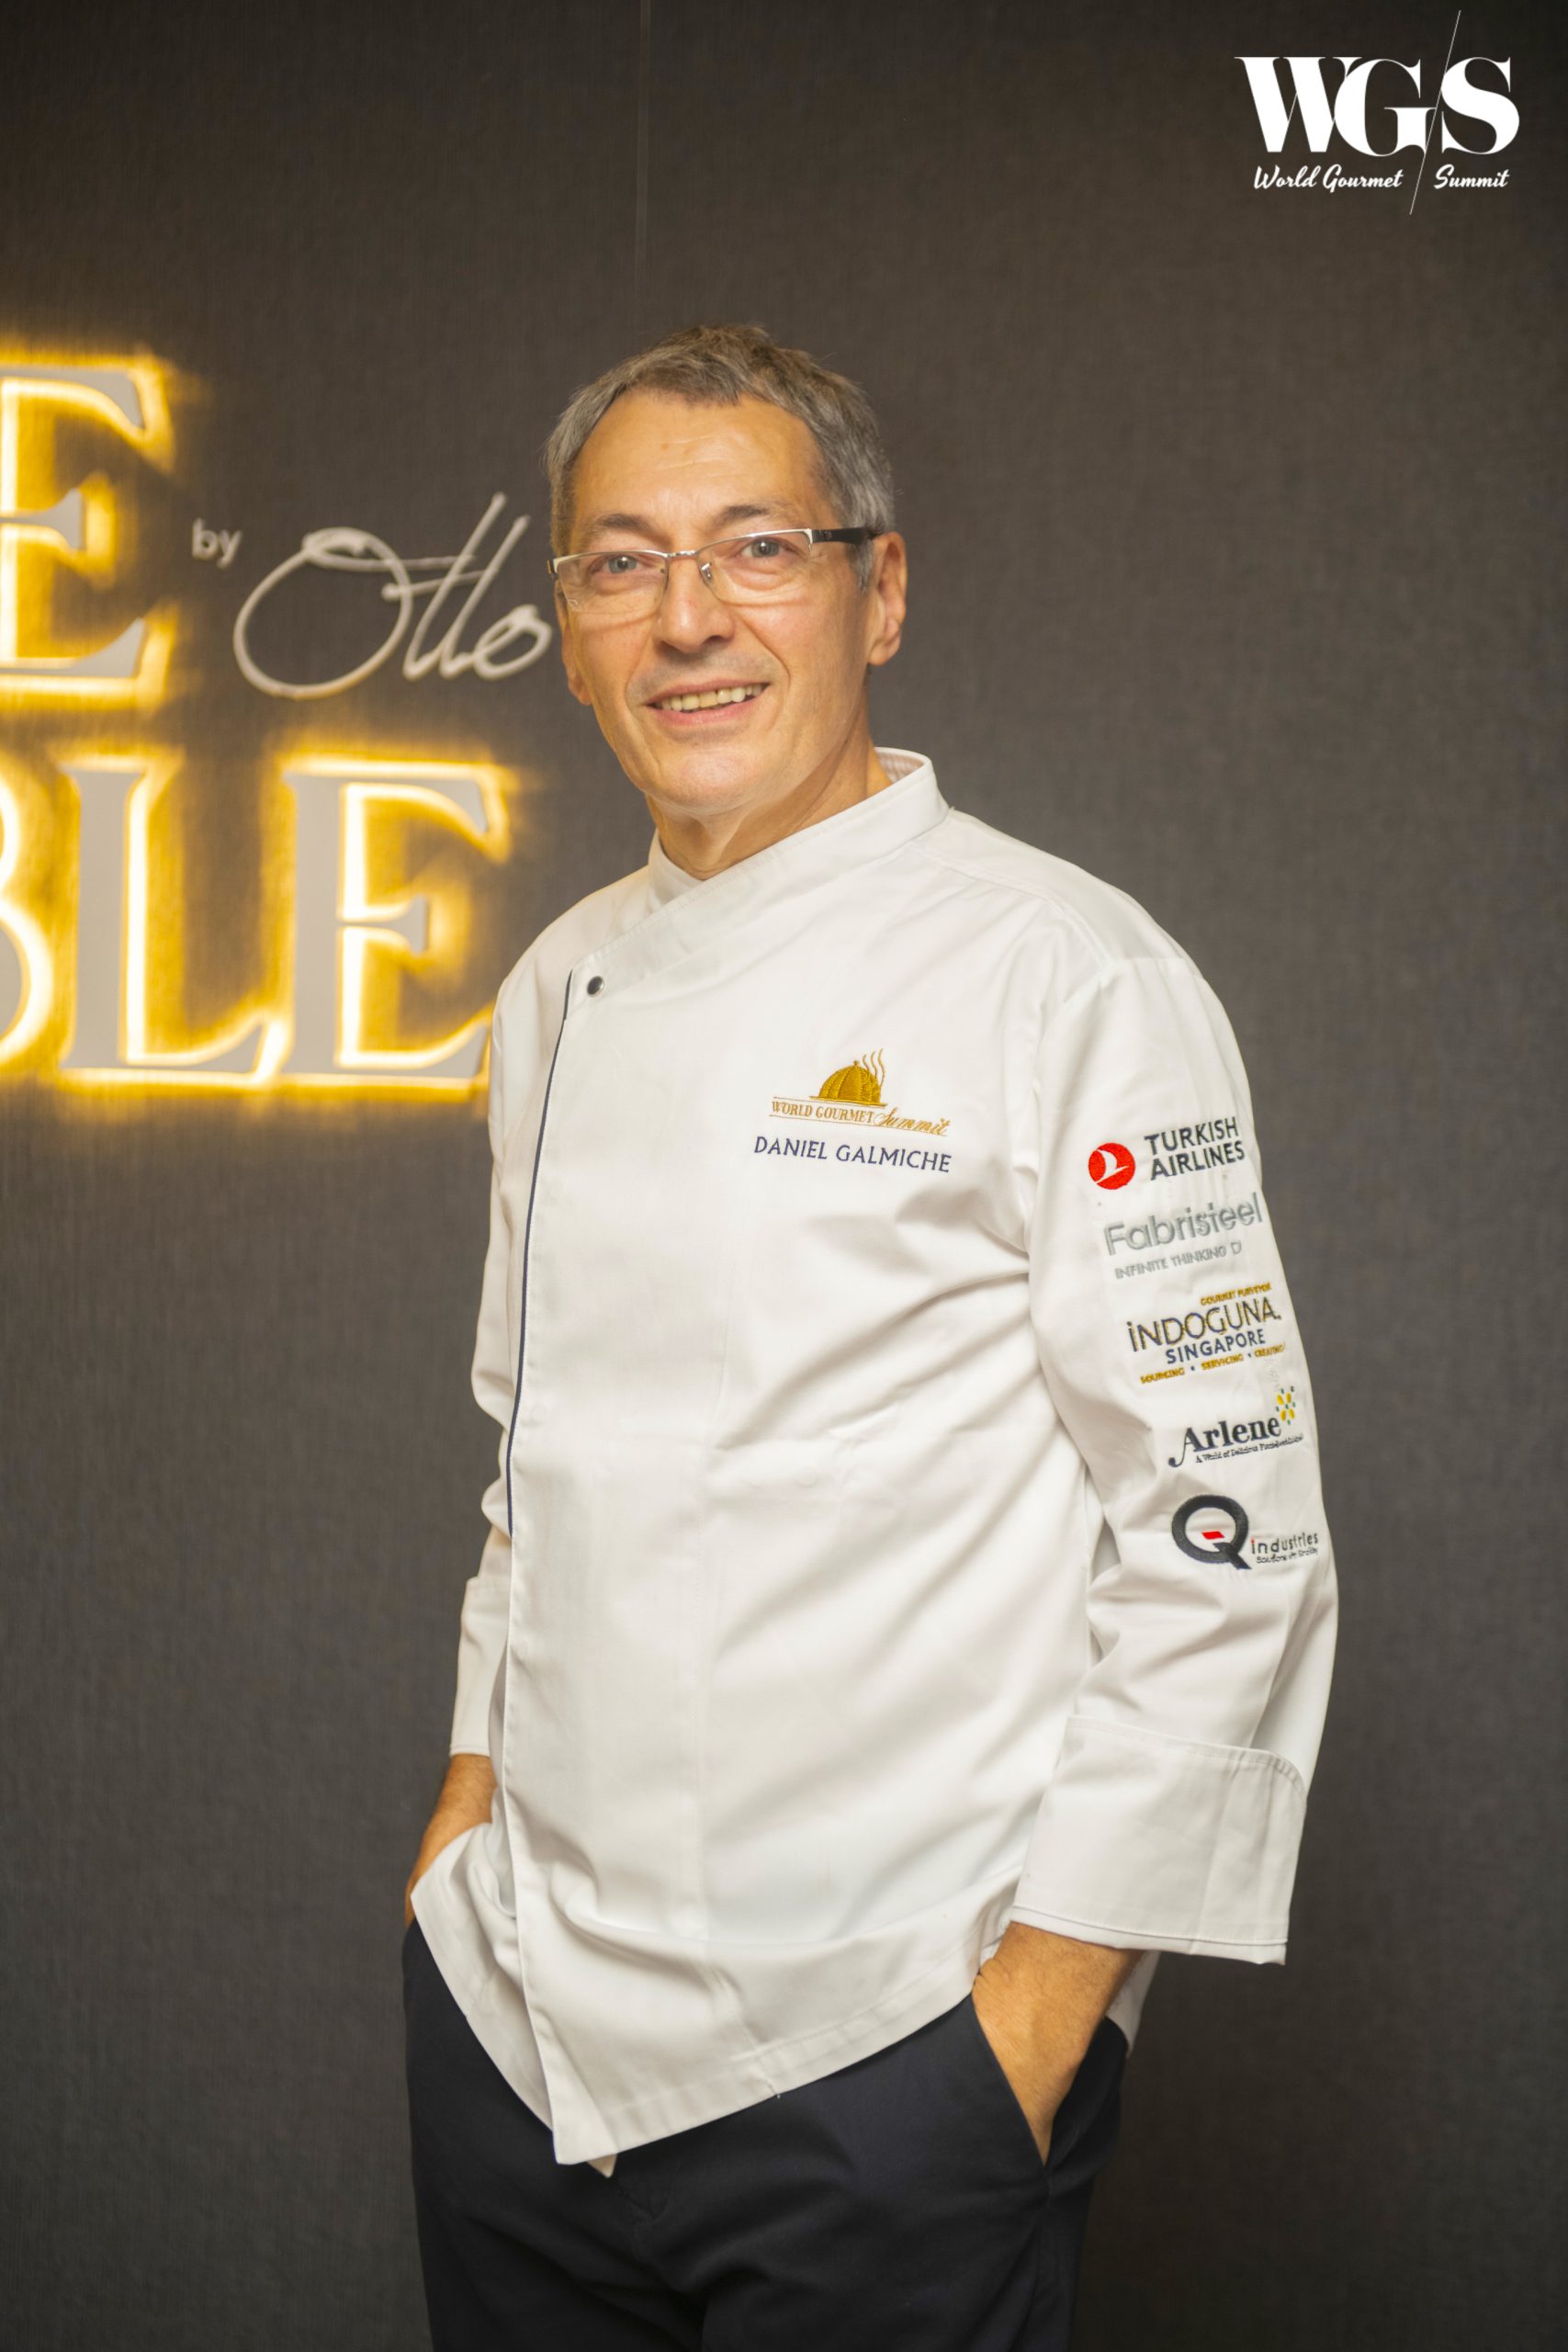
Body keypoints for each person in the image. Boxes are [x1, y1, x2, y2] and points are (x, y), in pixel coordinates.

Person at [400, 322, 1337, 2351]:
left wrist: (1031, 2026)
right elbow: (533, 1462)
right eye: (621, 563)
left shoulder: (1069, 974)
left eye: (757, 548)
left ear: (879, 591)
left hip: (884, 2056)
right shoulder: (553, 987)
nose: (686, 619)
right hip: (520, 2027)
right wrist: (467, 1808)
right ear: (568, 630)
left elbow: (1228, 1530)